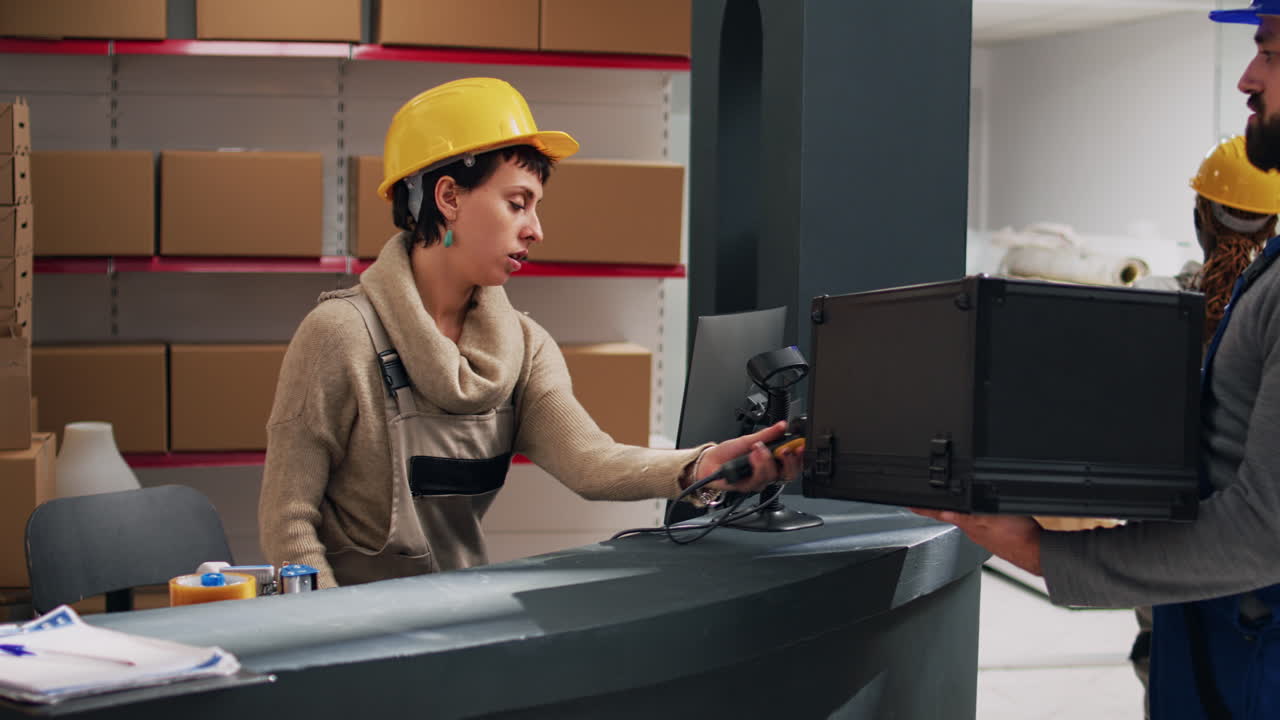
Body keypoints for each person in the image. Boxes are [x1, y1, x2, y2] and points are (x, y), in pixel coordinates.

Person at [259, 77, 800, 589]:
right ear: (448, 198)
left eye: (535, 208)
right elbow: (289, 522)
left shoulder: (523, 346)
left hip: (463, 617)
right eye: (517, 203)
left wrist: (702, 466)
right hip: (351, 634)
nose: (535, 230)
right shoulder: (338, 335)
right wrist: (328, 633)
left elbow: (590, 462)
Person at [914, 5, 1280, 718]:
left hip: (1250, 653)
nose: (1246, 75)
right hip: (1216, 631)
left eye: (1267, 50)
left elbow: (1266, 529)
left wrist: (1047, 555)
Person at [1129, 135, 1280, 715]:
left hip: (1169, 542)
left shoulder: (1160, 303)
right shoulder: (1261, 307)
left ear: (1201, 216)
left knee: (1173, 673)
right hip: (1249, 574)